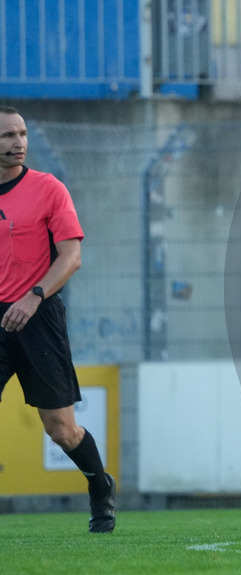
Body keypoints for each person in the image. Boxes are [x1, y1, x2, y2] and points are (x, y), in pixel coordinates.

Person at [0, 106, 115, 533]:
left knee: (62, 429)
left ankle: (99, 486)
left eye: (23, 133)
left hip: (38, 314)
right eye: (8, 136)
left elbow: (72, 256)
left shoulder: (48, 189)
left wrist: (33, 296)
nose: (18, 143)